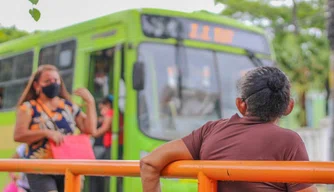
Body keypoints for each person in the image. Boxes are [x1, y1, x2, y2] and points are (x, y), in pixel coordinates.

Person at [140, 66, 317, 192]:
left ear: (240, 105)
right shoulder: (289, 141)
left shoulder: (210, 131)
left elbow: (149, 163)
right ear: (289, 107)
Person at [13, 64, 97, 192]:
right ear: (36, 85)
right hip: (40, 167)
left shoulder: (68, 106)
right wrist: (46, 133)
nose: (53, 83)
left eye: (56, 80)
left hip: (68, 165)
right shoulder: (28, 107)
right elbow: (19, 135)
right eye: (47, 81)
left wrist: (90, 103)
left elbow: (90, 130)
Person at [90, 95, 114, 192]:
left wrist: (93, 133)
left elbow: (104, 128)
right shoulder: (116, 113)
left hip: (109, 145)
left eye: (102, 108)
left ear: (107, 105)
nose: (101, 111)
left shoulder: (110, 113)